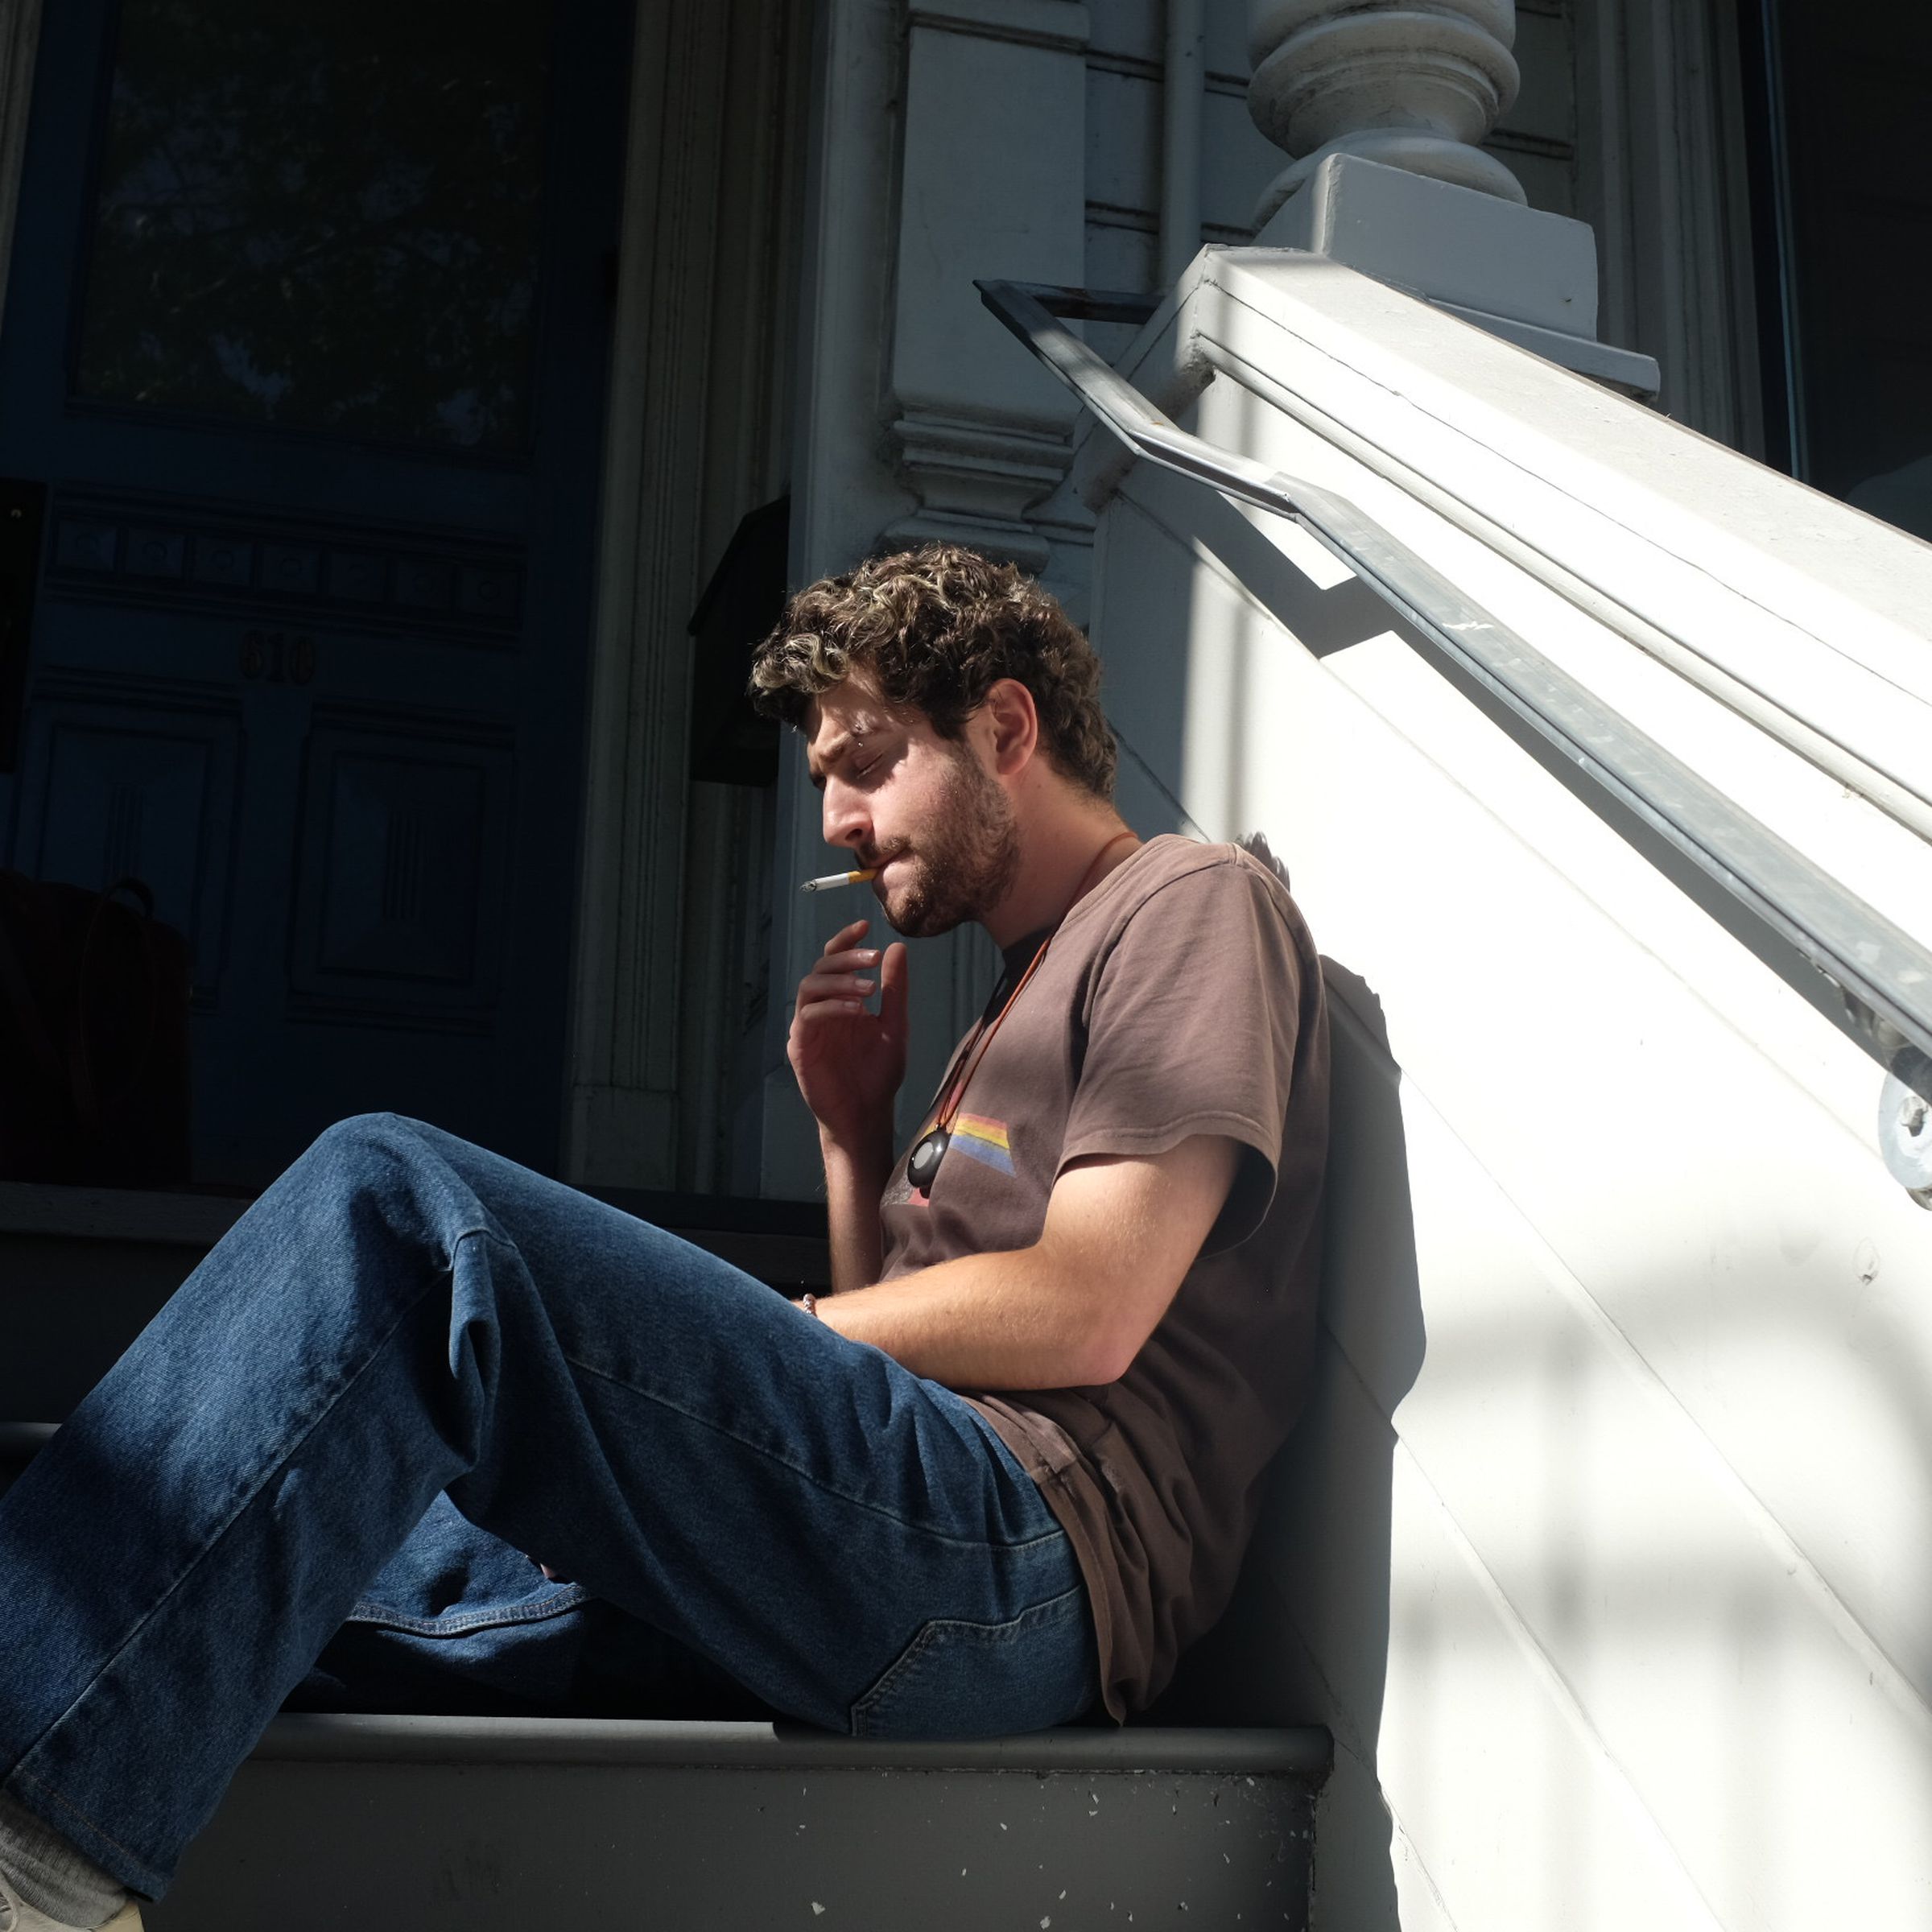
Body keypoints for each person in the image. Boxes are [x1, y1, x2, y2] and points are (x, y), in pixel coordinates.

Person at [0, 542, 1327, 1932]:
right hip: (926, 1537)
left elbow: (1088, 1307)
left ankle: (35, 1869)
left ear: (1004, 727)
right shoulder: (1011, 996)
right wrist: (850, 1134)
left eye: (866, 762)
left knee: (400, 1209)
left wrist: (794, 1331)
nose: (832, 820)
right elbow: (921, 1365)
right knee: (203, 1539)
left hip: (1026, 1560)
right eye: (823, 778)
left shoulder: (1186, 904)